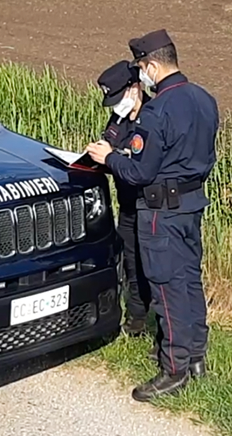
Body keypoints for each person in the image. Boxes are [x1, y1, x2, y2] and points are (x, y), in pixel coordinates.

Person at [86, 29, 219, 403]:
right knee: (190, 281)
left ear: (152, 66)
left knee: (165, 288)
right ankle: (196, 356)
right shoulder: (204, 99)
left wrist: (108, 158)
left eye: (142, 68)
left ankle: (172, 369)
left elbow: (138, 173)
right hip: (192, 205)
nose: (141, 75)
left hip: (160, 211)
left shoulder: (159, 110)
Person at [96, 60, 151, 338]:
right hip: (127, 206)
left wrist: (112, 157)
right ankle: (135, 320)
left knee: (150, 265)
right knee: (130, 262)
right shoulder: (118, 119)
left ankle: (160, 328)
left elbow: (141, 165)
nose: (118, 105)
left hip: (149, 206)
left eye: (121, 97)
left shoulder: (152, 118)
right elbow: (109, 145)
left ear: (136, 88)